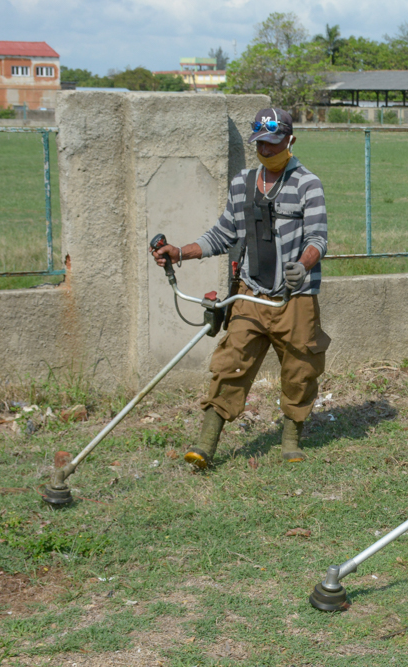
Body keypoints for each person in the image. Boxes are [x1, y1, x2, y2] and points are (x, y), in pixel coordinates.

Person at [152, 107, 330, 466]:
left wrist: (303, 265)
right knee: (231, 363)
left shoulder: (308, 184)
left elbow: (318, 238)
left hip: (294, 297)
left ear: (290, 141)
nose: (267, 151)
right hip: (249, 293)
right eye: (261, 144)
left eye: (274, 143)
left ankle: (291, 437)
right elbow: (222, 235)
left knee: (300, 369)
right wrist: (180, 252)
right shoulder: (242, 185)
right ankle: (206, 443)